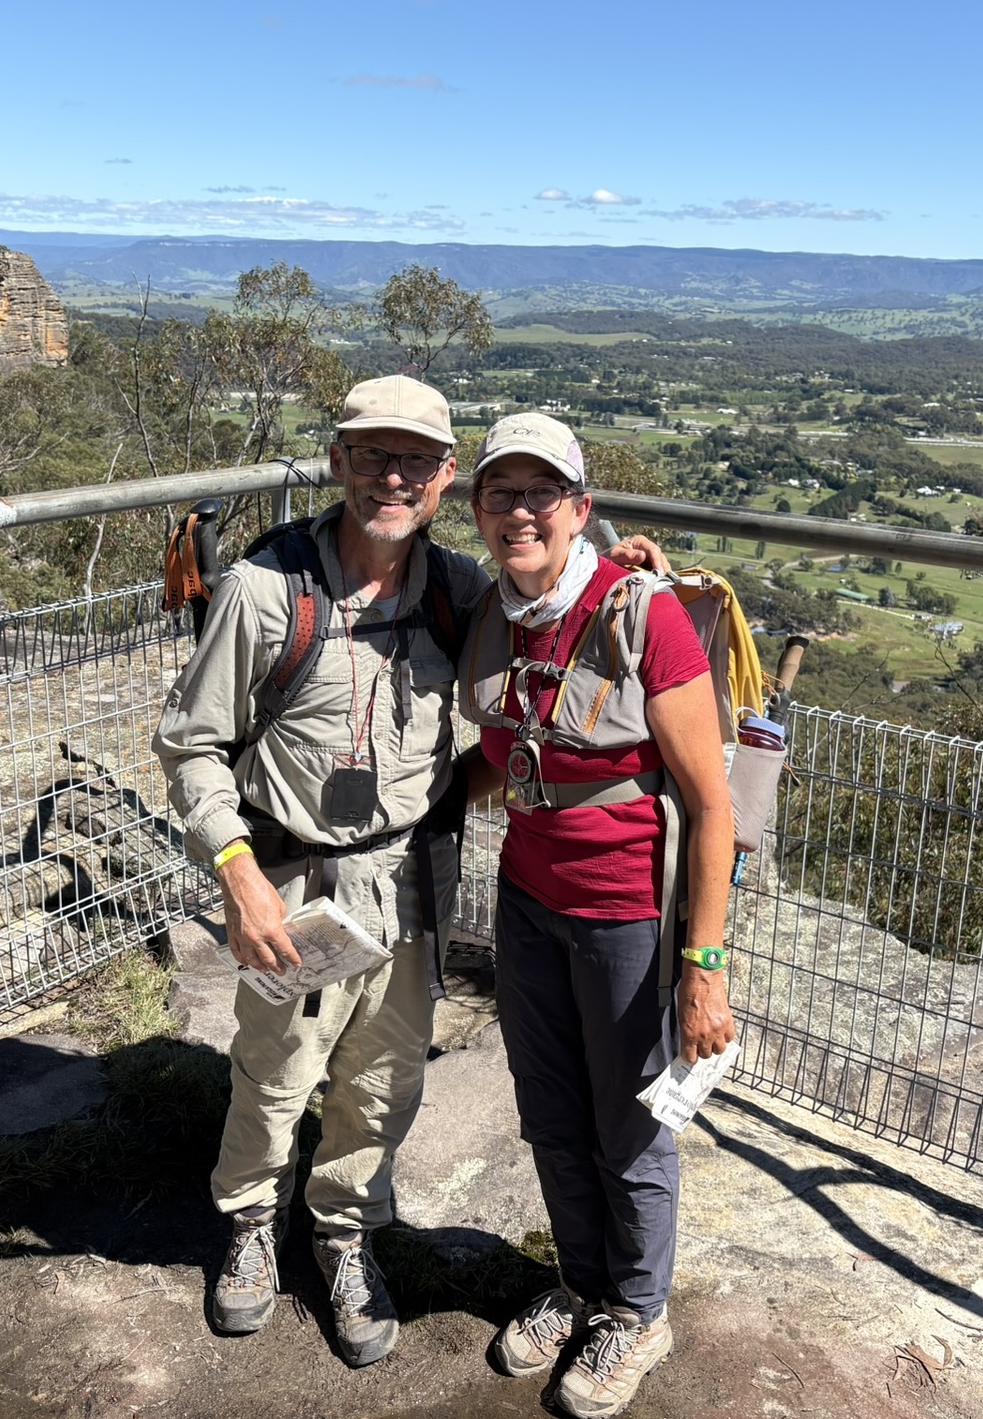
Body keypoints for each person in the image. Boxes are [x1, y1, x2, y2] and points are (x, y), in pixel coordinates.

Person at [154, 377, 664, 1369]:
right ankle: (252, 1224)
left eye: (417, 461)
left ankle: (344, 1236)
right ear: (339, 461)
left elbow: (547, 625)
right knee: (273, 1073)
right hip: (292, 880)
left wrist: (615, 577)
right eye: (374, 455)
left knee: (383, 1083)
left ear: (444, 479)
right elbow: (191, 746)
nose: (394, 477)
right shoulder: (266, 592)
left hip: (409, 881)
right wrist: (239, 875)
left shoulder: (457, 591)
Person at [457, 412, 736, 1417]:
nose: (521, 512)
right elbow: (500, 760)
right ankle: (582, 1285)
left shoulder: (643, 615)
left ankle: (640, 1313)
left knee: (630, 1128)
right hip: (528, 900)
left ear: (580, 508)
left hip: (628, 915)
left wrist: (703, 964)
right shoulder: (490, 612)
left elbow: (712, 807)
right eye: (501, 492)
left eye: (543, 493)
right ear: (477, 510)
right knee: (549, 1111)